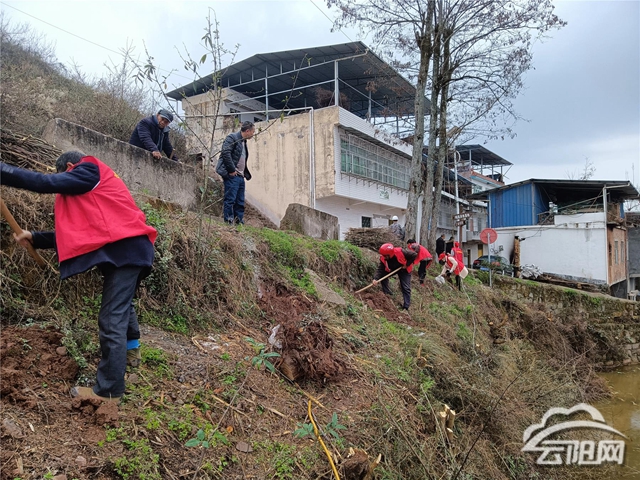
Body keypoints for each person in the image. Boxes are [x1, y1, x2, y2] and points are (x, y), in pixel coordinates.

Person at [0, 151, 157, 402]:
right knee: (121, 305)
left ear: (70, 166)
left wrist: (3, 171)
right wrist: (35, 237)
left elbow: (44, 183)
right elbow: (81, 232)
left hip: (126, 251)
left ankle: (108, 392)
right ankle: (130, 352)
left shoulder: (88, 170)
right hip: (130, 249)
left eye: (64, 176)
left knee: (111, 318)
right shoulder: (98, 188)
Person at [216, 121, 255, 225]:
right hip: (233, 175)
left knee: (240, 201)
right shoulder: (232, 138)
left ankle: (239, 222)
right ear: (247, 131)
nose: (253, 134)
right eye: (253, 132)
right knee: (230, 199)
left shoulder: (243, 142)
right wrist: (232, 170)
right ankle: (229, 221)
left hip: (240, 176)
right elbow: (225, 152)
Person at [372, 243, 417, 310]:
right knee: (383, 276)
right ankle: (387, 294)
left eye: (385, 256)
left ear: (390, 254)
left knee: (405, 287)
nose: (384, 257)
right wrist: (375, 278)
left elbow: (414, 254)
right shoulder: (383, 258)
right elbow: (381, 269)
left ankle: (406, 306)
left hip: (404, 269)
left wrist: (407, 264)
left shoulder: (401, 252)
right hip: (393, 269)